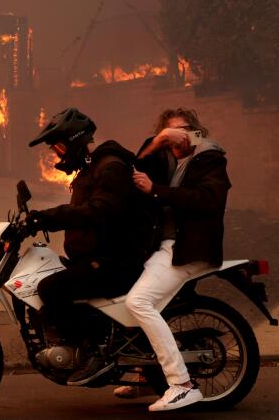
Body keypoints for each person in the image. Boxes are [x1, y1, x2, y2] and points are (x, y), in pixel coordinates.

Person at [26, 107, 155, 385]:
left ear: (75, 140)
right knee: (49, 278)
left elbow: (99, 210)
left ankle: (94, 354)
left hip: (117, 261)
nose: (58, 153)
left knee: (51, 287)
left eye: (60, 146)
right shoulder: (93, 167)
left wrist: (49, 217)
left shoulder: (110, 167)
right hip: (98, 257)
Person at [116, 107, 230, 412]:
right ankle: (144, 372)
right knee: (126, 292)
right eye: (172, 133)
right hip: (164, 246)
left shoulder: (210, 158)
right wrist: (157, 141)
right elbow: (133, 168)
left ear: (196, 131)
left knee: (138, 302)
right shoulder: (167, 159)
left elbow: (207, 199)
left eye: (183, 130)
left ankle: (182, 384)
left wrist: (157, 190)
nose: (178, 138)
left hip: (187, 248)